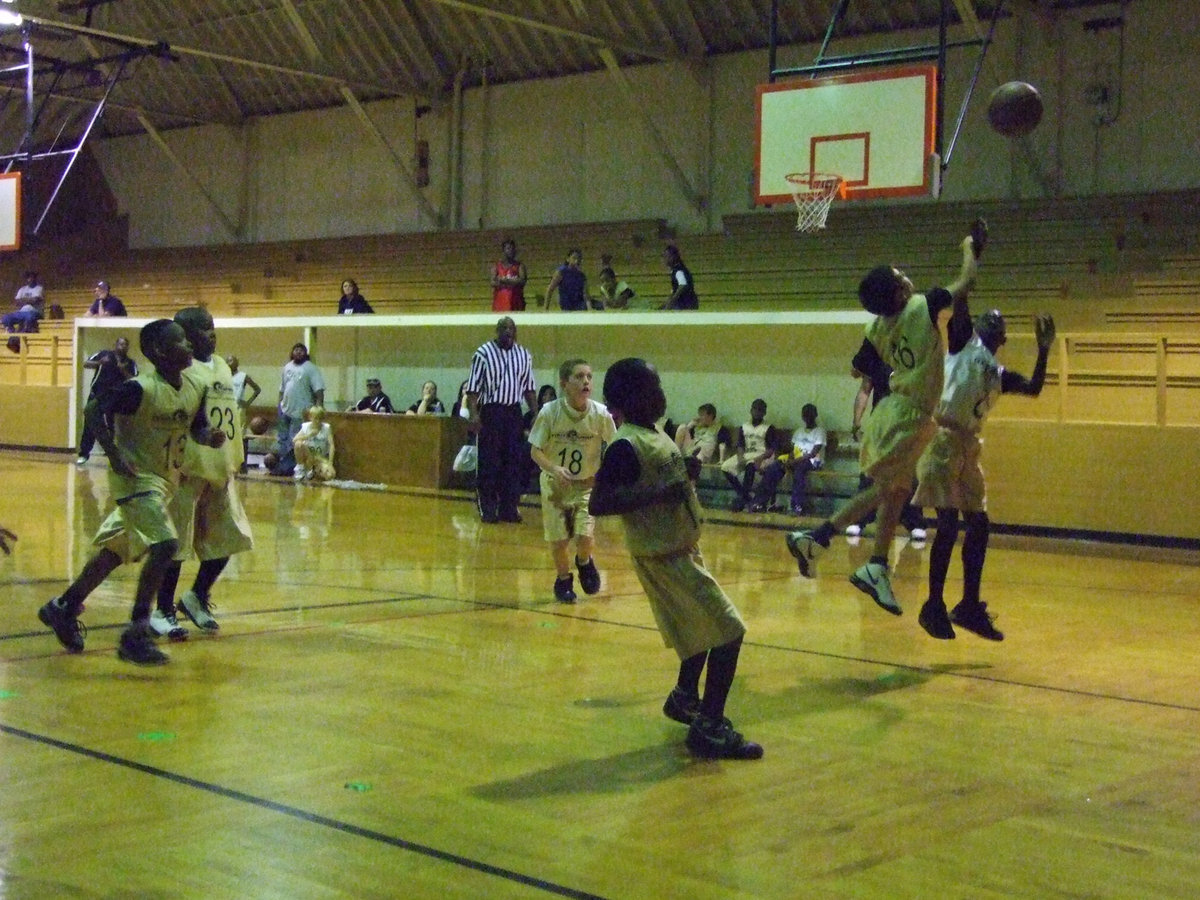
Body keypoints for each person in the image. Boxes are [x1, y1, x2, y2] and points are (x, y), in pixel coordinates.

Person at [785, 220, 987, 616]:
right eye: (900, 275)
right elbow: (967, 281)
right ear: (899, 290)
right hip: (909, 414)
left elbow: (860, 366)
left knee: (895, 491)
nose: (906, 275)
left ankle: (876, 565)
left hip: (889, 409)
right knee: (884, 490)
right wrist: (969, 248)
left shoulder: (876, 325)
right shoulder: (923, 305)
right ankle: (819, 536)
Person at [590, 357, 762, 760]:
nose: (662, 392)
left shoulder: (655, 434)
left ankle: (685, 696)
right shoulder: (625, 445)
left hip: (682, 548)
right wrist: (659, 493)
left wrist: (685, 474)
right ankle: (709, 727)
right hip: (664, 556)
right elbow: (599, 502)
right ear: (632, 398)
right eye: (655, 387)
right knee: (728, 631)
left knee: (699, 627)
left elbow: (662, 479)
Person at [36, 319, 226, 665]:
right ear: (158, 352)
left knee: (113, 553)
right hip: (136, 481)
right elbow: (93, 409)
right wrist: (112, 452)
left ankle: (62, 607)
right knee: (166, 545)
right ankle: (135, 633)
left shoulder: (195, 386)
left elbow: (196, 425)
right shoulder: (138, 388)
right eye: (180, 341)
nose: (188, 346)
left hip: (163, 482)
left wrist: (208, 436)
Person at [915, 311, 1056, 641]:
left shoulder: (997, 374)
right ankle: (933, 605)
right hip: (941, 438)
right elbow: (961, 302)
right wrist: (971, 259)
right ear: (975, 327)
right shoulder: (962, 345)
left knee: (979, 524)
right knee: (948, 524)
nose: (992, 324)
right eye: (987, 321)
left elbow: (1034, 388)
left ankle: (968, 605)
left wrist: (1044, 349)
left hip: (968, 445)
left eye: (997, 325)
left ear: (1002, 339)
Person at [154, 308, 255, 637]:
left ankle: (196, 596)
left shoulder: (223, 366)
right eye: (202, 330)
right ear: (184, 336)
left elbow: (230, 415)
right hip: (186, 469)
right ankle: (163, 610)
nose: (211, 335)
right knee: (177, 547)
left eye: (213, 328)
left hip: (221, 467)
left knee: (229, 539)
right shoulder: (180, 370)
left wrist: (235, 457)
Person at [528, 358, 616, 603]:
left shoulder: (600, 414)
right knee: (558, 541)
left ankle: (584, 561)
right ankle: (563, 580)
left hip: (586, 485)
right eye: (579, 376)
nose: (586, 381)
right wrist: (554, 468)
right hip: (555, 485)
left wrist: (604, 475)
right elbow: (535, 451)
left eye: (589, 376)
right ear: (564, 383)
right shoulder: (550, 412)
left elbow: (615, 445)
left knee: (585, 537)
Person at [465, 316, 536, 523]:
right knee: (489, 461)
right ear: (496, 331)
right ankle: (487, 507)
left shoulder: (524, 354)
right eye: (503, 328)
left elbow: (529, 388)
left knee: (513, 462)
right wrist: (474, 414)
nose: (507, 331)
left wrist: (535, 413)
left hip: (513, 412)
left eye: (511, 328)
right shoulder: (483, 353)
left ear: (516, 332)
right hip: (491, 411)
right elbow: (472, 389)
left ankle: (508, 508)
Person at [845, 367, 926, 541]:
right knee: (870, 471)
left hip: (907, 422)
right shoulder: (877, 354)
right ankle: (859, 519)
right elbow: (865, 389)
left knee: (909, 473)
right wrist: (857, 421)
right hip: (880, 423)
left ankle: (914, 521)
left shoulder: (915, 354)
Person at [750, 403, 824, 515]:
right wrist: (787, 460)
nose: (807, 417)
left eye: (810, 414)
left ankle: (797, 505)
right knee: (773, 468)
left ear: (815, 415)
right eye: (805, 415)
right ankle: (759, 502)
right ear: (802, 416)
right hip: (796, 459)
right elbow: (794, 451)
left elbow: (813, 453)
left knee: (799, 471)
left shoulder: (820, 432)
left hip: (812, 461)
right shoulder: (799, 432)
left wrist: (794, 461)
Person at [76, 336, 139, 465]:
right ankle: (84, 454)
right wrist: (100, 363)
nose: (122, 347)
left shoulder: (130, 363)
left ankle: (113, 455)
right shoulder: (104, 354)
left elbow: (135, 379)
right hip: (97, 395)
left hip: (116, 398)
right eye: (120, 344)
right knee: (90, 423)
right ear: (115, 345)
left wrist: (123, 370)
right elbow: (86, 363)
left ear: (127, 347)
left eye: (125, 345)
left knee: (114, 426)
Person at [274, 342, 324, 473]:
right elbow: (282, 389)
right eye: (296, 350)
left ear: (305, 353)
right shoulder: (287, 367)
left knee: (294, 441)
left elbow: (319, 391)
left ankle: (291, 468)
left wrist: (319, 410)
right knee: (282, 440)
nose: (298, 352)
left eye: (301, 350)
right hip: (285, 410)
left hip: (301, 412)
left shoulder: (311, 368)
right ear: (292, 352)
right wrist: (279, 406)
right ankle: (283, 466)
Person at [720, 398, 778, 512]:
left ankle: (742, 499)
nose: (757, 412)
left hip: (763, 455)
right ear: (751, 410)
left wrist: (760, 458)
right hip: (747, 454)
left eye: (760, 410)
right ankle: (746, 497)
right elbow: (740, 445)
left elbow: (771, 449)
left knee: (750, 466)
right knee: (725, 467)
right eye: (755, 409)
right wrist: (740, 457)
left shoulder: (769, 428)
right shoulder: (744, 426)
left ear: (764, 413)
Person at [227, 355, 262, 472]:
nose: (229, 362)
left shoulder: (243, 376)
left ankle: (243, 464)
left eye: (231, 360)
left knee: (241, 437)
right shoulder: (224, 375)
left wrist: (247, 402)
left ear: (237, 363)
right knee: (227, 436)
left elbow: (257, 389)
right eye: (227, 360)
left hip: (239, 409)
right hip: (226, 408)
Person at [293, 406, 336, 481]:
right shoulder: (305, 427)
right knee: (298, 444)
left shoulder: (326, 428)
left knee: (331, 474)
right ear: (310, 417)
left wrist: (330, 463)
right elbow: (294, 439)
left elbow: (331, 445)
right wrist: (309, 435)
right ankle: (301, 469)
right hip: (308, 455)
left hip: (320, 458)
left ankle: (313, 472)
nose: (317, 421)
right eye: (315, 418)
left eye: (320, 419)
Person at [490, 238, 528, 312]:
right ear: (503, 251)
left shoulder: (520, 266)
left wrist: (505, 281)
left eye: (512, 249)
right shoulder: (496, 266)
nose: (511, 251)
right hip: (500, 303)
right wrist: (513, 281)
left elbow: (522, 281)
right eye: (508, 248)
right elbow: (492, 282)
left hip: (516, 302)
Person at [662, 244, 698, 310]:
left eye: (667, 256)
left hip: (685, 304)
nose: (665, 259)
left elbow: (682, 285)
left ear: (674, 257)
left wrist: (672, 301)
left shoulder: (678, 270)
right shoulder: (679, 269)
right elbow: (675, 289)